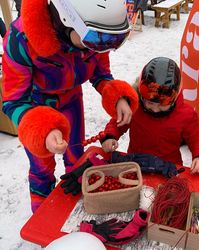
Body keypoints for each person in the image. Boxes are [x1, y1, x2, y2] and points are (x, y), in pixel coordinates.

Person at [1, 0, 139, 212]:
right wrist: (41, 131)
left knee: (76, 159)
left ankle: (75, 210)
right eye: (96, 38)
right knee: (41, 169)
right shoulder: (21, 38)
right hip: (35, 109)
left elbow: (100, 73)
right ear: (67, 20)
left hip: (71, 102)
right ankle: (43, 217)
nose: (102, 46)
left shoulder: (94, 34)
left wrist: (116, 96)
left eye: (112, 38)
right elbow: (14, 100)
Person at [101, 57, 199, 174]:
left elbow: (196, 139)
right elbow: (117, 123)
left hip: (168, 168)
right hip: (135, 164)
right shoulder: (134, 106)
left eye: (162, 105)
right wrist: (109, 136)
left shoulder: (186, 115)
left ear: (175, 97)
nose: (155, 109)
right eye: (150, 103)